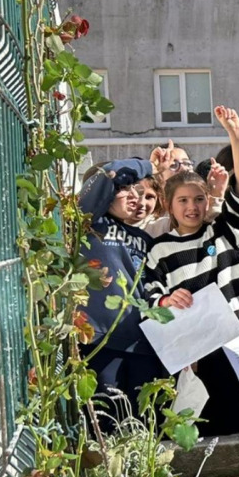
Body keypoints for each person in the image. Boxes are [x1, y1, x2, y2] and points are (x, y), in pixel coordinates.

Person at [143, 106, 239, 436]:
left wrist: (236, 135)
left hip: (231, 338)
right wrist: (165, 300)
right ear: (169, 204)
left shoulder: (222, 232)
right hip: (191, 346)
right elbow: (149, 292)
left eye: (198, 199)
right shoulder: (159, 247)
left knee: (236, 408)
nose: (192, 207)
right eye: (183, 201)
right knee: (199, 415)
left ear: (208, 201)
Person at [78, 159, 164, 420]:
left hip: (143, 344)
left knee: (144, 421)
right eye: (125, 189)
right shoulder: (90, 223)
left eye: (136, 190)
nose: (134, 196)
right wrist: (146, 164)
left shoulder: (146, 239)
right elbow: (107, 174)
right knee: (106, 420)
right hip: (101, 341)